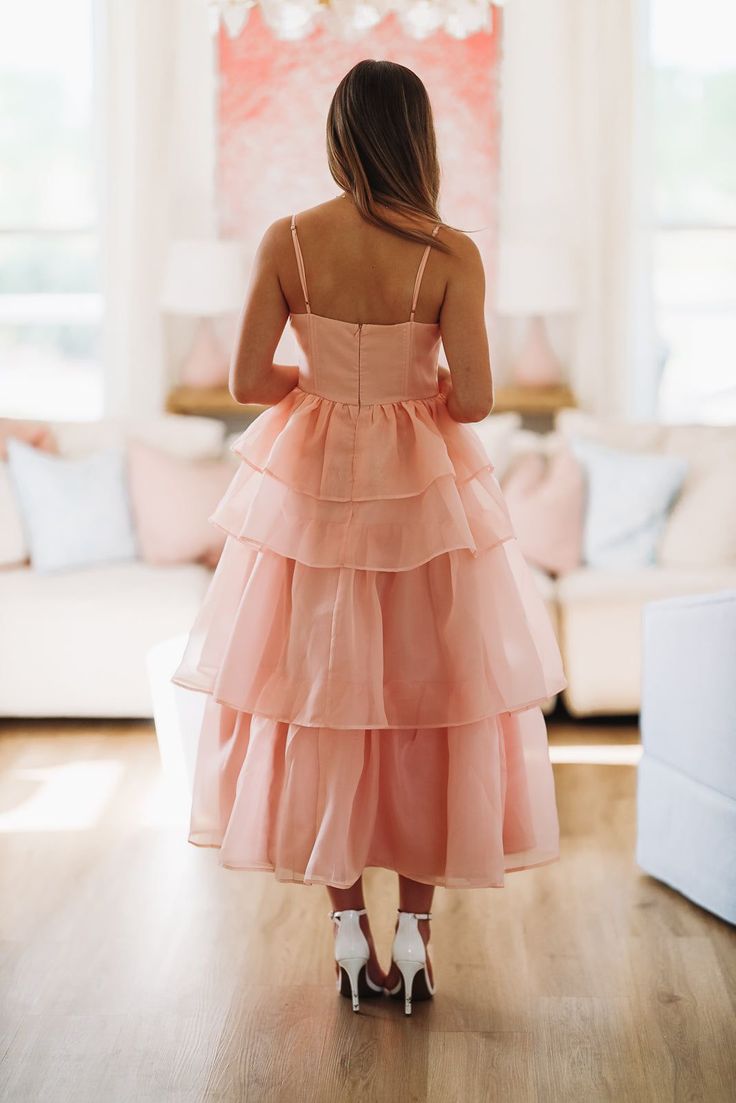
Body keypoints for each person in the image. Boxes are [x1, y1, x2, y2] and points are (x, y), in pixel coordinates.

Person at [171, 59, 567, 1017]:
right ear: (419, 137)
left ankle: (351, 935)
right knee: (435, 697)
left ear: (339, 136)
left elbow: (246, 382)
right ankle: (418, 944)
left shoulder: (289, 239)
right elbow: (472, 398)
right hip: (423, 497)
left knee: (324, 692)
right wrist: (410, 387)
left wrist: (321, 387)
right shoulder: (451, 252)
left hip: (309, 488)